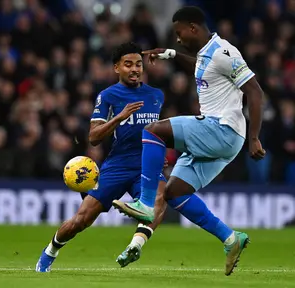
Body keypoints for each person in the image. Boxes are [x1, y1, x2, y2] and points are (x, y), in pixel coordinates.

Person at [113, 7, 266, 276]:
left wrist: (255, 137)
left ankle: (145, 204)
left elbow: (255, 91)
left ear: (193, 27)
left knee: (152, 130)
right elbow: (200, 68)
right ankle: (231, 239)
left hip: (222, 129)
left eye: (179, 33)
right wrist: (171, 55)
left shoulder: (223, 51)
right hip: (222, 140)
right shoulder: (208, 54)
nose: (179, 38)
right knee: (175, 193)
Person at [36, 42, 169, 272]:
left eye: (138, 64)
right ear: (117, 67)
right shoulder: (108, 95)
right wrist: (120, 117)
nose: (135, 69)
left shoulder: (156, 95)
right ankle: (50, 251)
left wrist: (160, 150)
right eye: (128, 64)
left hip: (146, 165)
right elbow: (94, 137)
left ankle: (134, 246)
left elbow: (158, 129)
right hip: (117, 165)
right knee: (82, 219)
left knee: (160, 200)